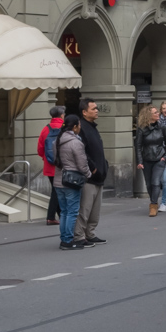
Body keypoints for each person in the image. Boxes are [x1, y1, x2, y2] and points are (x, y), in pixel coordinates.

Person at [73, 98, 108, 246]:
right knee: (85, 208)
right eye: (93, 109)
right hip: (89, 177)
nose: (96, 111)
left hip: (99, 175)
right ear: (84, 112)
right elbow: (83, 153)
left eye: (96, 108)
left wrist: (104, 166)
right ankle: (79, 236)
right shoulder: (83, 129)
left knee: (95, 210)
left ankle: (90, 233)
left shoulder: (93, 127)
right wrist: (93, 168)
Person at [52, 115, 88, 250]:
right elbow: (82, 164)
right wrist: (88, 175)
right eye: (79, 125)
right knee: (72, 212)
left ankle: (64, 239)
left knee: (64, 212)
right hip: (72, 181)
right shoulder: (76, 142)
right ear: (74, 127)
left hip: (58, 180)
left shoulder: (57, 140)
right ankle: (68, 240)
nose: (80, 127)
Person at [134, 105, 166, 217]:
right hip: (146, 159)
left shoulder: (162, 127)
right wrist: (139, 161)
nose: (157, 114)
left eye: (157, 112)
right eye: (155, 113)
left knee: (155, 182)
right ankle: (153, 200)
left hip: (159, 158)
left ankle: (153, 205)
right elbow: (138, 146)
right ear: (149, 115)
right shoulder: (141, 129)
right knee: (149, 184)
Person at [37, 106, 65, 225]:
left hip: (49, 165)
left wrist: (46, 158)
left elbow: (40, 149)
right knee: (57, 191)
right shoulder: (64, 128)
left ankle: (59, 215)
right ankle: (51, 217)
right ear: (62, 115)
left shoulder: (45, 129)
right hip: (62, 165)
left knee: (55, 190)